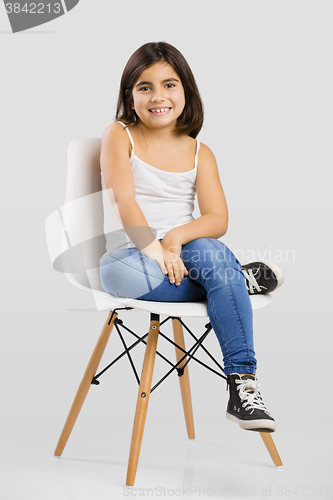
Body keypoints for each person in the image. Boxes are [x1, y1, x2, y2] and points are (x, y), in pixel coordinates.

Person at [99, 41, 282, 433]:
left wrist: (175, 239)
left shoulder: (201, 152)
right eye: (144, 87)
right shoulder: (119, 135)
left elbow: (217, 219)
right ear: (130, 97)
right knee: (114, 275)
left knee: (213, 252)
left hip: (189, 252)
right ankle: (234, 282)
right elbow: (124, 201)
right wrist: (154, 248)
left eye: (170, 84)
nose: (158, 96)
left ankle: (242, 383)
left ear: (186, 92)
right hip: (137, 252)